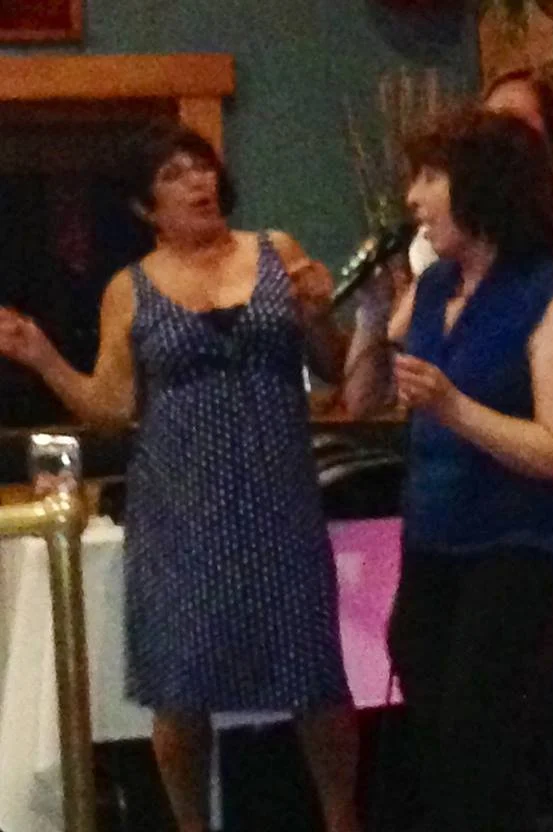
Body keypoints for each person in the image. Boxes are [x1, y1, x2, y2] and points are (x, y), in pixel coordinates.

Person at [0, 122, 359, 832]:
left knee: (314, 672)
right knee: (181, 683)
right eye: (173, 175)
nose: (197, 182)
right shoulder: (128, 289)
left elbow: (333, 366)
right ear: (145, 207)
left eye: (201, 168)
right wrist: (41, 356)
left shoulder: (275, 252)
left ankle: (343, 819)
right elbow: (114, 406)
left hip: (277, 493)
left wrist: (319, 314)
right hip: (179, 505)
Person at [346, 67, 553, 832]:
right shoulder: (435, 286)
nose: (412, 199)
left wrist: (455, 408)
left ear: (481, 189)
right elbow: (364, 397)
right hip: (441, 538)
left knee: (479, 729)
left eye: (430, 178)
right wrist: (371, 318)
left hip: (526, 541)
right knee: (448, 737)